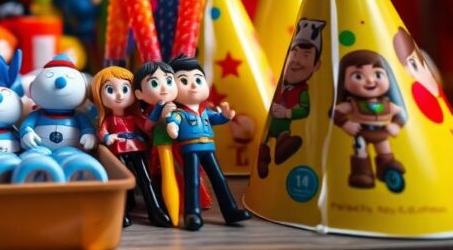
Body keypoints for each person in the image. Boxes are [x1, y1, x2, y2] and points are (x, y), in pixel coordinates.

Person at [165, 57, 251, 230]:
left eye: (198, 79)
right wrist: (172, 127)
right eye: (184, 80)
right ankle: (193, 214)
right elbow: (172, 121)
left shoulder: (205, 111)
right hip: (190, 150)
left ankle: (230, 211)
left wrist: (226, 115)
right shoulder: (180, 113)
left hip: (208, 149)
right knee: (193, 181)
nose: (194, 85)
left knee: (219, 179)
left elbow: (218, 119)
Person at [93, 66, 172, 228]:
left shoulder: (133, 118)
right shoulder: (109, 120)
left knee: (146, 180)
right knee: (121, 181)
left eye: (125, 89)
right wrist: (108, 137)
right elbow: (102, 132)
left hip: (137, 149)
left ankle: (155, 210)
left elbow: (147, 125)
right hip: (118, 151)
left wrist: (157, 110)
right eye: (110, 89)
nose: (119, 95)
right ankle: (121, 213)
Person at [331, 50, 407, 190]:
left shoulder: (386, 104)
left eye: (378, 74)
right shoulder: (352, 104)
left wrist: (396, 125)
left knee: (385, 154)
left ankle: (387, 169)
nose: (371, 80)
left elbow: (401, 113)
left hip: (381, 133)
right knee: (361, 153)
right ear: (344, 82)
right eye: (358, 76)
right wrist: (346, 123)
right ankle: (362, 173)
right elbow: (335, 112)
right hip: (361, 132)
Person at [257, 19, 324, 178]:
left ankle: (282, 146)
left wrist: (287, 113)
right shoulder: (281, 86)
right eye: (294, 53)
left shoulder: (303, 92)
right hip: (272, 123)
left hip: (284, 124)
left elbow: (304, 110)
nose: (296, 61)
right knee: (265, 144)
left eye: (306, 55)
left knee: (282, 139)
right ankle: (264, 158)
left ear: (316, 65)